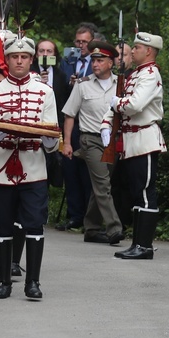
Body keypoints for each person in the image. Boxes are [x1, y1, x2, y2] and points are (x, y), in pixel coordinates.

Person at [0, 36, 60, 299]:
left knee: (34, 225)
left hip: (33, 168)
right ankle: (3, 282)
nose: (20, 60)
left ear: (31, 59)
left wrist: (49, 139)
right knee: (2, 226)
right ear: (7, 61)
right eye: (14, 57)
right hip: (1, 166)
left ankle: (33, 282)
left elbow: (52, 135)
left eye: (24, 57)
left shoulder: (45, 92)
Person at [102, 32, 167, 257]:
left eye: (137, 47)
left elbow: (135, 104)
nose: (133, 51)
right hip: (131, 140)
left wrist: (117, 103)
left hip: (145, 139)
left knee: (145, 192)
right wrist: (106, 122)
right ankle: (137, 243)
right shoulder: (137, 74)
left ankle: (144, 245)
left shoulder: (150, 74)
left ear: (148, 51)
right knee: (136, 192)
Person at [61, 40, 124, 245]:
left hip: (113, 140)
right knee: (103, 184)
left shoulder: (121, 84)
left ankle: (91, 228)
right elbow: (70, 114)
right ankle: (114, 228)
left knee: (100, 185)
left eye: (100, 60)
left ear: (111, 63)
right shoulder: (83, 85)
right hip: (90, 139)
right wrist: (67, 143)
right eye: (94, 60)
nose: (95, 64)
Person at [55, 22, 97, 231]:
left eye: (84, 42)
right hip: (69, 118)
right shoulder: (68, 61)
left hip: (88, 120)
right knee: (69, 168)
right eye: (78, 41)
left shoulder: (97, 62)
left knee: (86, 170)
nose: (80, 45)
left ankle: (90, 217)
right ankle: (74, 214)